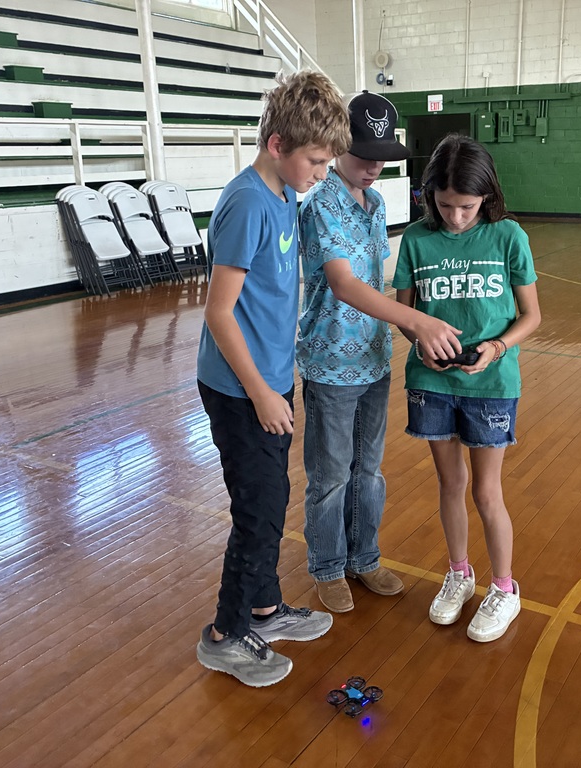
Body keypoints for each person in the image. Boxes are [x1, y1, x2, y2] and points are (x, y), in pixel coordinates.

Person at [194, 70, 351, 687]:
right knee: (257, 512)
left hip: (267, 380)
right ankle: (224, 635)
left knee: (271, 499)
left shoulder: (287, 194)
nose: (321, 172)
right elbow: (218, 310)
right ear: (278, 143)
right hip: (239, 388)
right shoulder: (246, 202)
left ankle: (264, 608)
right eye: (316, 159)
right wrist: (261, 391)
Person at [296, 92, 463, 613]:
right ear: (337, 144)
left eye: (381, 157)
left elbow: (378, 281)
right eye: (363, 154)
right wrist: (415, 320)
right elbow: (344, 284)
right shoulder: (320, 203)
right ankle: (327, 564)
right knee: (331, 475)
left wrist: (413, 334)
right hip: (330, 363)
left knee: (369, 470)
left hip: (372, 358)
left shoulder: (377, 204)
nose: (373, 166)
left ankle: (364, 558)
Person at [392, 133, 541, 642]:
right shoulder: (416, 240)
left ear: (487, 197)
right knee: (450, 485)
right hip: (431, 383)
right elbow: (406, 315)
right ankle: (459, 574)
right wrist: (419, 336)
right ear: (430, 195)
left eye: (468, 207)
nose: (456, 217)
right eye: (446, 205)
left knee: (485, 489)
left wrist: (496, 349)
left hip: (492, 383)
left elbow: (531, 315)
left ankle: (504, 587)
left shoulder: (507, 236)